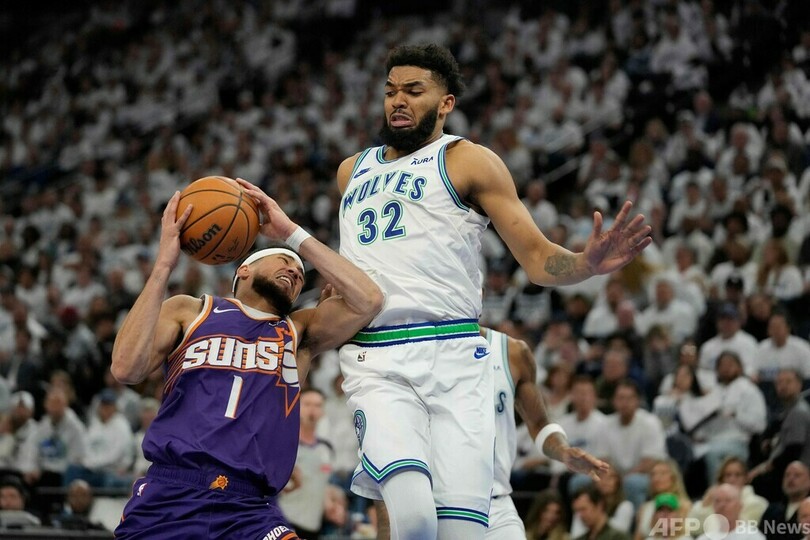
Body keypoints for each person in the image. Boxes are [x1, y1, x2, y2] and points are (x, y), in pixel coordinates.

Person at [336, 43, 649, 539]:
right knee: (411, 520)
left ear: (446, 103)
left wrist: (585, 264)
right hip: (380, 352)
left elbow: (538, 260)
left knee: (462, 534)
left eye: (414, 91)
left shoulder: (470, 161)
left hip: (457, 352)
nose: (398, 100)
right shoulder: (351, 171)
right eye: (391, 91)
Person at [111, 180, 384, 539]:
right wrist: (163, 265)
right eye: (284, 261)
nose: (295, 271)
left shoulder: (297, 331)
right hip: (171, 494)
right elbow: (126, 367)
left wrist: (290, 234)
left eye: (300, 274)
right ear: (243, 270)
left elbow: (369, 300)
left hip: (249, 509)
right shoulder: (190, 310)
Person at [375, 327, 608, 539]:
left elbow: (539, 423)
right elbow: (390, 442)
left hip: (496, 503)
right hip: (435, 505)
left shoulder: (512, 352)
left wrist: (563, 451)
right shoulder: (412, 351)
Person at [278, 387, 334, 538]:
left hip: (314, 526)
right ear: (296, 407)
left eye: (318, 405)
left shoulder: (326, 449)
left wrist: (330, 503)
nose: (312, 410)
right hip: (285, 522)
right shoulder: (284, 444)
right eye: (307, 404)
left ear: (323, 412)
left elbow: (323, 483)